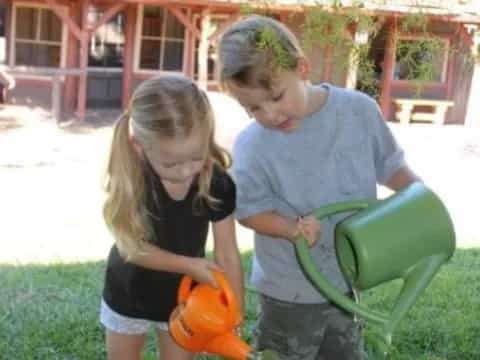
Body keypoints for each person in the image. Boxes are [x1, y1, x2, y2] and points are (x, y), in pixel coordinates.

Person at [217, 15, 421, 360]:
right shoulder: (252, 145)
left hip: (347, 279)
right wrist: (290, 228)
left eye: (276, 97)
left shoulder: (358, 111)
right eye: (252, 107)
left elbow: (391, 167)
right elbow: (249, 212)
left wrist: (421, 200)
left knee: (343, 352)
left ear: (302, 68)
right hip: (288, 293)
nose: (268, 114)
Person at [100, 75, 244, 360]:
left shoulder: (216, 183)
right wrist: (189, 265)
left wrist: (234, 311)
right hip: (128, 292)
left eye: (195, 157)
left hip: (185, 301)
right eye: (171, 163)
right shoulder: (131, 181)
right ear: (139, 146)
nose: (185, 172)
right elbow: (130, 247)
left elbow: (227, 253)